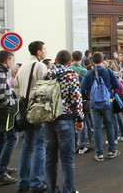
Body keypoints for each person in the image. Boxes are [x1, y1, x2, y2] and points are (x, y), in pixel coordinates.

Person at [42, 50, 84, 193]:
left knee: (50, 158)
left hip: (47, 119)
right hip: (65, 118)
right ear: (70, 62)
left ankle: (51, 190)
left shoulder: (46, 74)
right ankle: (69, 190)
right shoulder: (71, 75)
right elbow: (76, 99)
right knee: (67, 159)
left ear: (55, 60)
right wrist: (80, 118)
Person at [14, 41, 48, 193]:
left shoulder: (22, 67)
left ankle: (23, 183)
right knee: (40, 145)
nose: (46, 51)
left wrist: (23, 97)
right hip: (37, 110)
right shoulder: (40, 66)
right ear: (39, 52)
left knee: (27, 146)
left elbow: (14, 87)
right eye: (45, 49)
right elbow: (46, 89)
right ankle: (36, 183)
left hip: (24, 110)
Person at [81, 52, 120, 162]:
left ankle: (99, 154)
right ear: (103, 60)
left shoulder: (89, 74)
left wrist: (88, 98)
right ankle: (112, 151)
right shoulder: (108, 71)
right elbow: (117, 85)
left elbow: (82, 88)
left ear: (92, 61)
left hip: (94, 104)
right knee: (109, 125)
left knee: (97, 128)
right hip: (107, 102)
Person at [0, 50, 18, 184]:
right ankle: (0, 172)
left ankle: (0, 167)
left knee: (1, 139)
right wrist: (12, 102)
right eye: (11, 60)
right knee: (12, 138)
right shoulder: (1, 74)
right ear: (7, 61)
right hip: (3, 112)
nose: (12, 63)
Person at [71, 51, 92, 155]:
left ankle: (75, 143)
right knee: (82, 120)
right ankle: (83, 144)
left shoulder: (69, 70)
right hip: (82, 99)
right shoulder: (84, 71)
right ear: (81, 59)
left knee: (73, 122)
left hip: (68, 100)